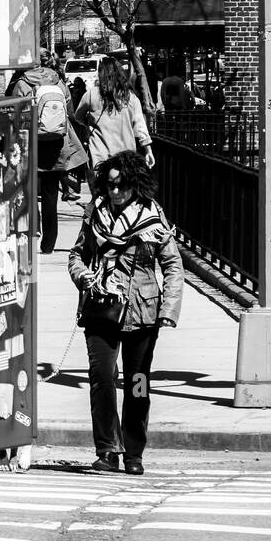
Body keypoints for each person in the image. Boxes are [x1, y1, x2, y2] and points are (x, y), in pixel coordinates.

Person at [68, 151, 184, 475]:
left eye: (121, 185)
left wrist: (168, 309)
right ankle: (107, 449)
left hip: (142, 312)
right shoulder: (95, 214)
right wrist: (82, 275)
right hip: (101, 307)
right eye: (110, 185)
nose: (115, 192)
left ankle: (134, 452)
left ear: (135, 184)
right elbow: (77, 255)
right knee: (102, 378)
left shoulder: (152, 217)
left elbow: (173, 265)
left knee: (137, 383)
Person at [8, 49, 88, 254]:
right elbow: (69, 113)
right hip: (55, 148)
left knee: (30, 195)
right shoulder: (58, 82)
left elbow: (14, 115)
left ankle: (33, 234)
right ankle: (49, 244)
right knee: (51, 197)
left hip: (30, 146)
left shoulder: (22, 83)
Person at [74, 56, 155, 171]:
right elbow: (141, 127)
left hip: (99, 158)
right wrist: (148, 151)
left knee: (102, 187)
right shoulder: (131, 98)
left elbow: (77, 117)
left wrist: (89, 121)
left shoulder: (91, 95)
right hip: (126, 158)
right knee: (123, 187)